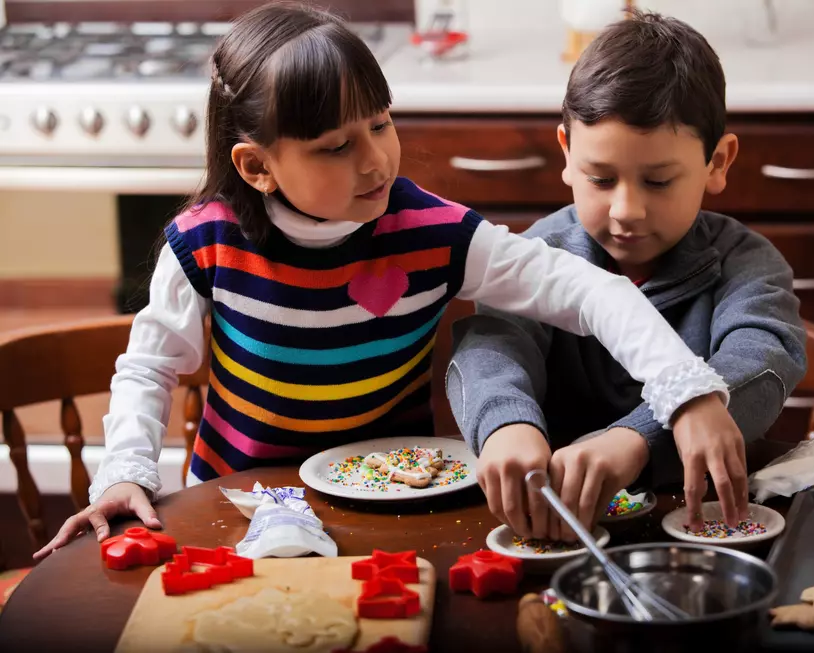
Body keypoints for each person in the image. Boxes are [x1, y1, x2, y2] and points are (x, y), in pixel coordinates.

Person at [35, 3, 739, 560]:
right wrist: (125, 472)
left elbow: (592, 290)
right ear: (256, 166)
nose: (376, 161)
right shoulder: (205, 245)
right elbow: (148, 367)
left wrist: (686, 391)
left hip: (392, 516)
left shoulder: (438, 234)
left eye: (380, 123)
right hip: (234, 509)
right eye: (337, 147)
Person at [448, 10, 807, 542]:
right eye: (601, 178)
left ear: (718, 162)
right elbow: (493, 348)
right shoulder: (536, 257)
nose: (627, 210)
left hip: (703, 529)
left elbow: (761, 360)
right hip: (555, 527)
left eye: (658, 181)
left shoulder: (747, 264)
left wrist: (634, 440)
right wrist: (506, 425)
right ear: (566, 154)